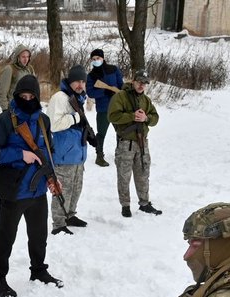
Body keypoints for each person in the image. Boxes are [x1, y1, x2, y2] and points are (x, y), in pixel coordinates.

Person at [0, 75, 63, 297]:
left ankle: (38, 270)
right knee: (6, 236)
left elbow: (48, 151)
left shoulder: (43, 121)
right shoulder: (4, 121)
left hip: (38, 189)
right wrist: (21, 154)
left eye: (32, 96)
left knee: (39, 234)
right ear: (16, 95)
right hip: (13, 189)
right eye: (23, 96)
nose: (27, 99)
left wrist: (52, 178)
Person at [47, 64, 96, 234]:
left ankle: (69, 215)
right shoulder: (60, 98)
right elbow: (53, 125)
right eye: (77, 81)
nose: (80, 85)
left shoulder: (78, 98)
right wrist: (75, 117)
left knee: (76, 188)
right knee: (63, 190)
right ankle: (59, 223)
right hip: (64, 155)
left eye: (83, 81)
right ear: (70, 81)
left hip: (77, 155)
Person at [108, 70, 162, 218]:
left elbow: (155, 118)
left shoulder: (146, 100)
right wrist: (132, 116)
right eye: (139, 82)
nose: (141, 85)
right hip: (126, 143)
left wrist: (145, 118)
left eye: (144, 83)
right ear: (133, 81)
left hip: (142, 143)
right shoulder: (120, 97)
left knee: (143, 172)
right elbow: (112, 116)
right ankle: (125, 205)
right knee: (124, 175)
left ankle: (144, 203)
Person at [85, 48, 124, 167]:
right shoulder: (91, 76)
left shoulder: (113, 69)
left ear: (103, 58)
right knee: (101, 133)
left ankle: (120, 154)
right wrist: (104, 92)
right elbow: (91, 92)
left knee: (121, 132)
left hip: (117, 107)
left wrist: (118, 91)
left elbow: (121, 85)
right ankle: (99, 156)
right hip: (103, 109)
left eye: (98, 58)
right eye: (94, 59)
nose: (96, 60)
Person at [0, 45, 35, 111]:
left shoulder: (30, 69)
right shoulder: (9, 69)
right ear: (18, 57)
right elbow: (2, 92)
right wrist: (5, 109)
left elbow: (34, 90)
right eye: (23, 57)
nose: (26, 59)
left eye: (27, 57)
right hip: (13, 109)